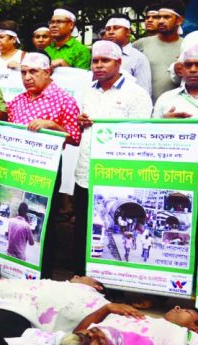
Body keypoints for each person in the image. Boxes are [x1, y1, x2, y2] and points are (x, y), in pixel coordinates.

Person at [74, 41, 152, 275]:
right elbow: (77, 127)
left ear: (119, 63)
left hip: (116, 175)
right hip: (85, 171)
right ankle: (81, 275)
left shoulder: (136, 94)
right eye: (95, 61)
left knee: (111, 229)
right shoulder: (86, 91)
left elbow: (140, 134)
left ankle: (112, 281)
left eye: (105, 61)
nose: (99, 65)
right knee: (84, 227)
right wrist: (81, 122)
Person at [7, 51, 82, 143]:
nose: (27, 78)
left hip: (47, 155)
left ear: (47, 72)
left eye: (33, 71)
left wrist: (52, 126)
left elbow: (75, 139)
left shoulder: (64, 101)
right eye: (23, 72)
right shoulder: (18, 100)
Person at [134, 1, 184, 102]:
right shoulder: (141, 44)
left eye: (166, 17)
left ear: (179, 20)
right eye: (159, 17)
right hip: (145, 106)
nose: (161, 21)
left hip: (176, 107)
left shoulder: (187, 45)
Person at [104, 15, 152, 94]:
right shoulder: (101, 57)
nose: (111, 32)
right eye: (108, 29)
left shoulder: (138, 58)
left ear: (128, 32)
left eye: (116, 28)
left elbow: (144, 93)